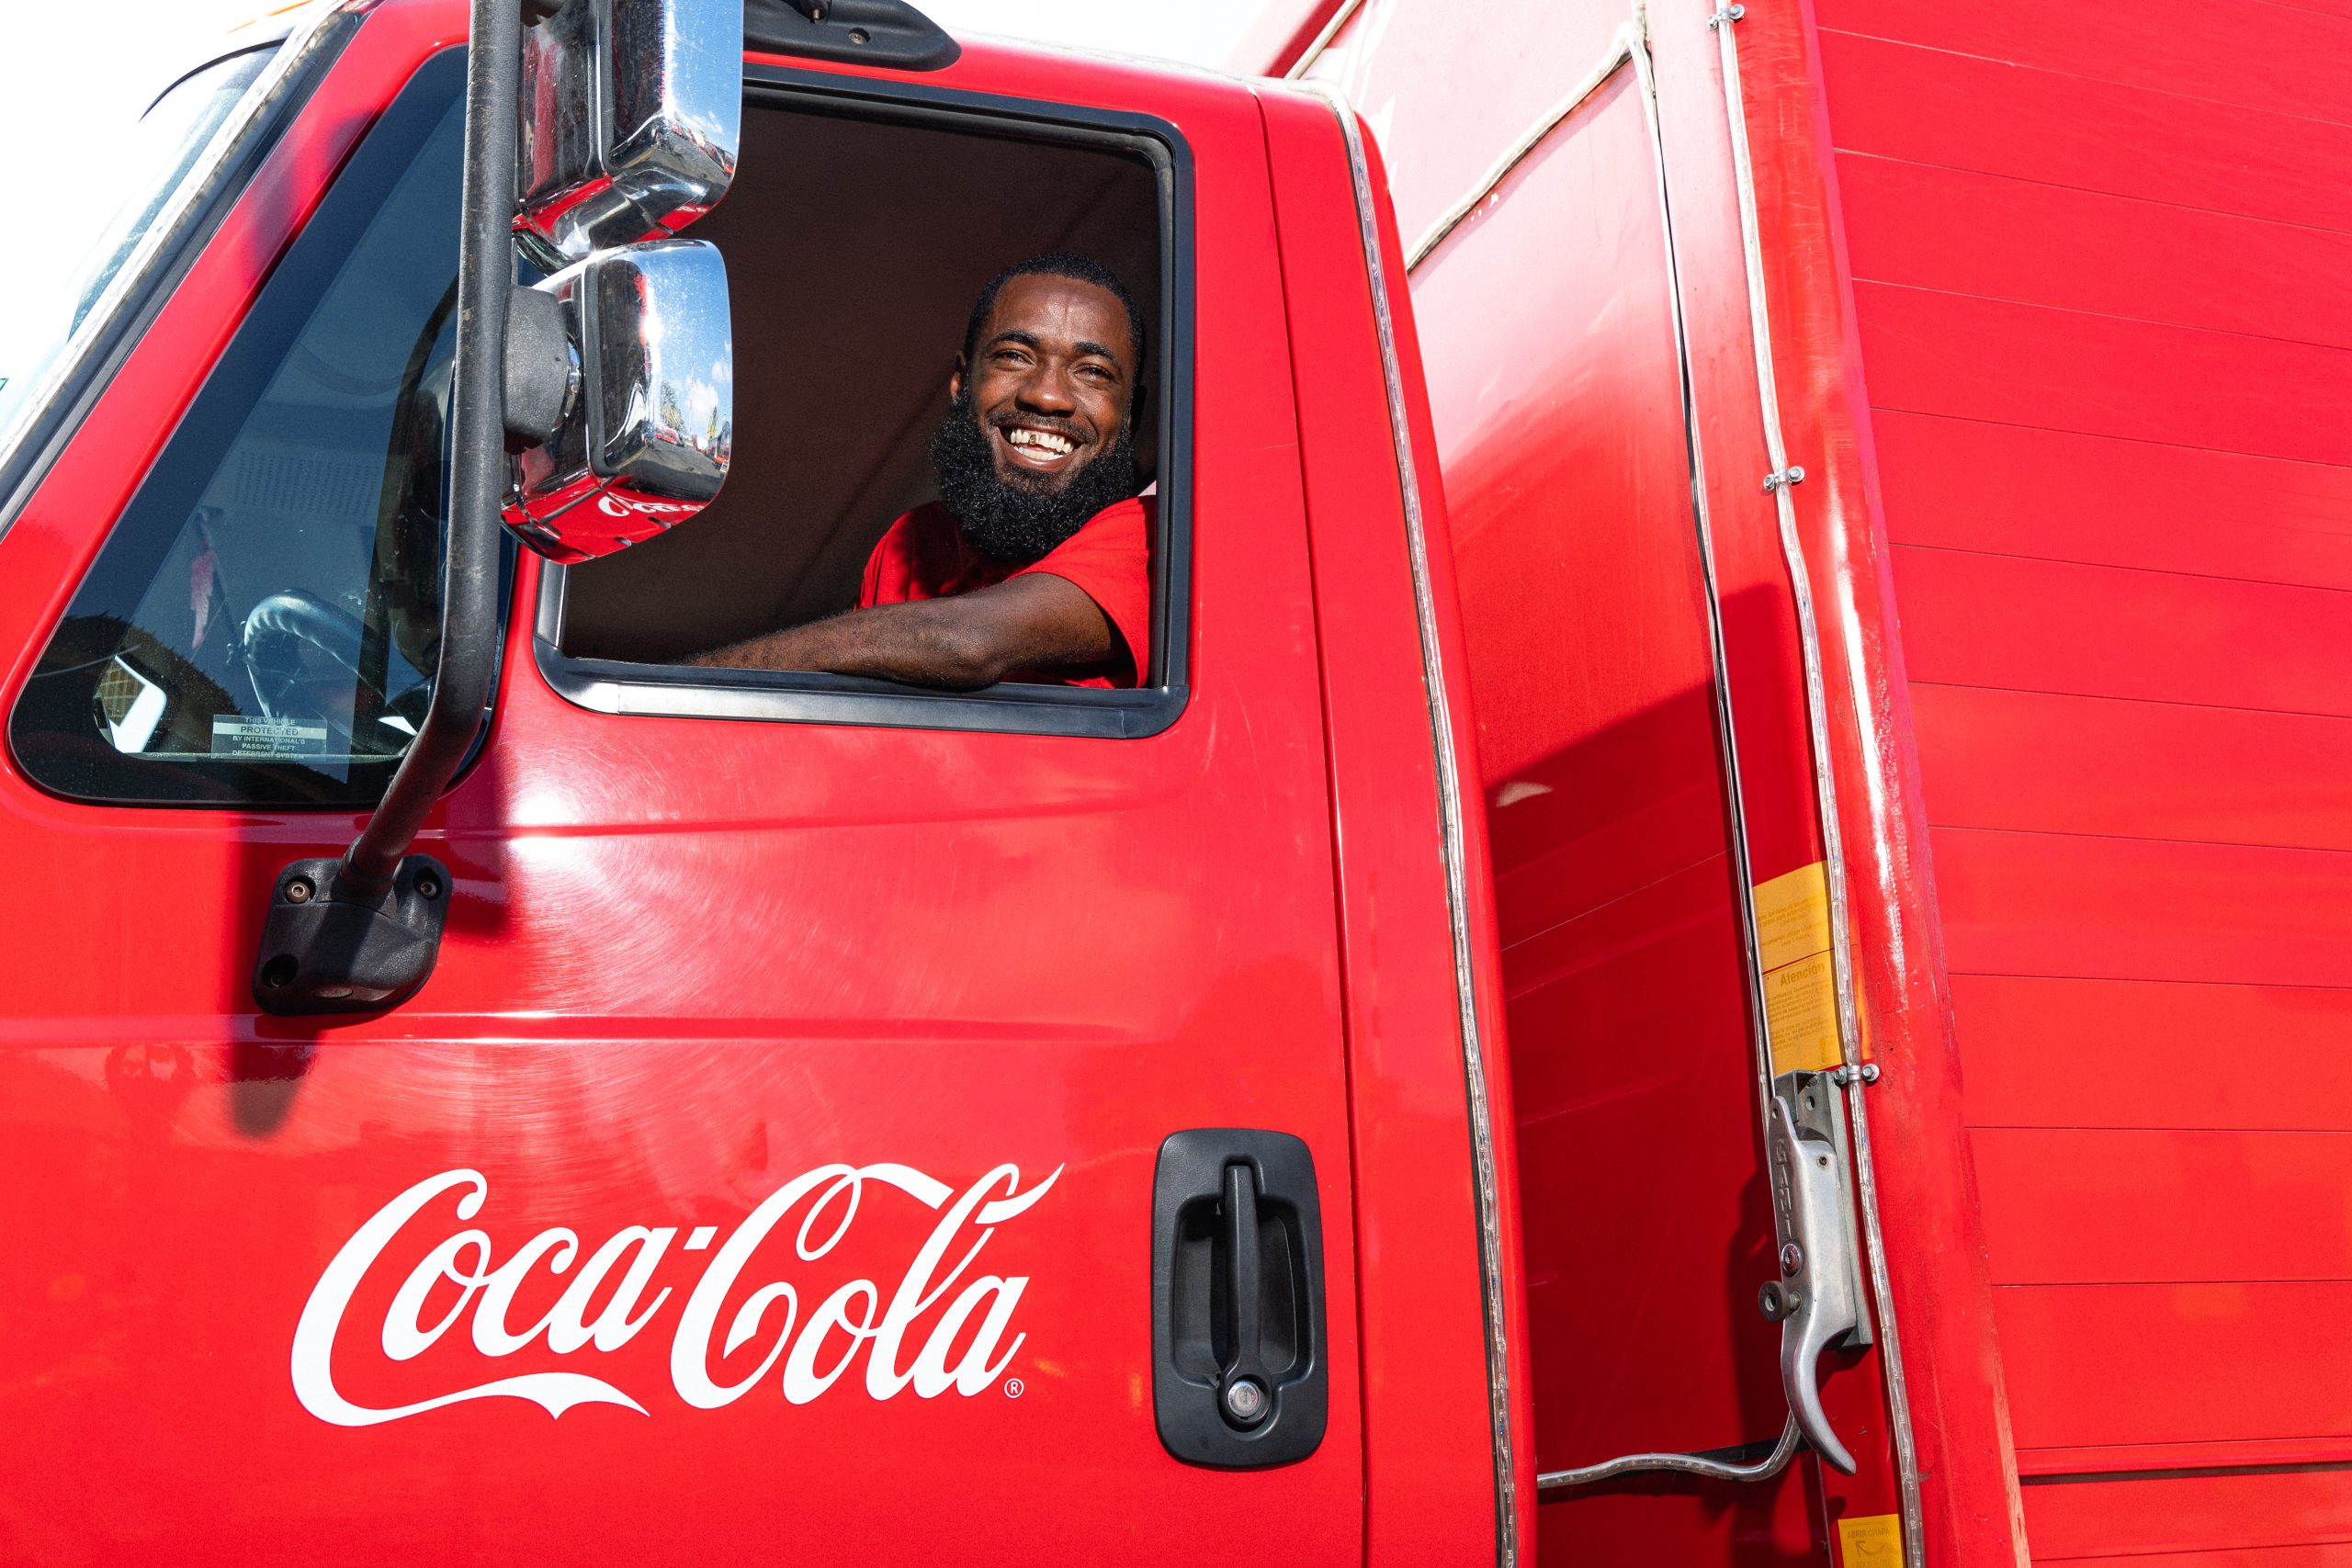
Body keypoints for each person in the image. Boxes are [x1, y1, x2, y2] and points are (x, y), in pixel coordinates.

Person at [689, 253, 1152, 689]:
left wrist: (686, 685)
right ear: (960, 382)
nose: (1048, 396)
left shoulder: (1152, 539)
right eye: (1015, 356)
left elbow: (970, 643)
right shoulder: (910, 539)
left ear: (1131, 417)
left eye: (1092, 371)